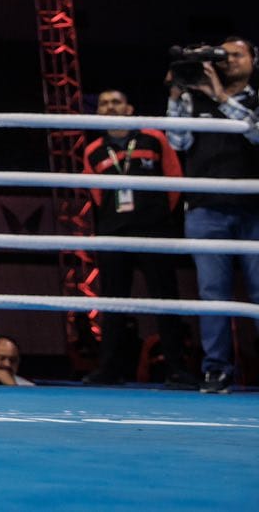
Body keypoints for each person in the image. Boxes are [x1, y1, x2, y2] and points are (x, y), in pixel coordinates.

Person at [166, 37, 259, 394]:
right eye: (224, 55)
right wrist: (177, 91)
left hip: (253, 209)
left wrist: (220, 96)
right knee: (212, 293)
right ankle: (216, 369)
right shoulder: (194, 98)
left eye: (237, 55)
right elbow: (177, 142)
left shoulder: (255, 98)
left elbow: (255, 133)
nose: (229, 60)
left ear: (253, 60)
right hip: (206, 208)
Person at [81, 89, 184, 385]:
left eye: (116, 102)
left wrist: (156, 215)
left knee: (166, 299)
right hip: (114, 231)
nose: (110, 107)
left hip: (154, 229)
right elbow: (97, 195)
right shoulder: (93, 150)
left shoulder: (154, 137)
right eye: (103, 103)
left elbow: (174, 181)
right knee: (113, 301)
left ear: (129, 109)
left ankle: (177, 368)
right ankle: (109, 369)